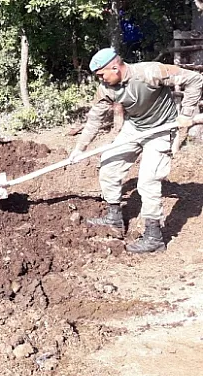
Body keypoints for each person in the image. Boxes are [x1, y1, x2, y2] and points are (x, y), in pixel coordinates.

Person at [68, 48, 203, 253]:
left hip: (162, 130)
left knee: (148, 180)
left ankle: (154, 237)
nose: (101, 80)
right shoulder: (106, 89)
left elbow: (194, 79)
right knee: (109, 165)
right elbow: (95, 119)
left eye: (102, 74)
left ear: (115, 67)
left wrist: (186, 112)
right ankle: (114, 218)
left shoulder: (150, 72)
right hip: (135, 128)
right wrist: (79, 148)